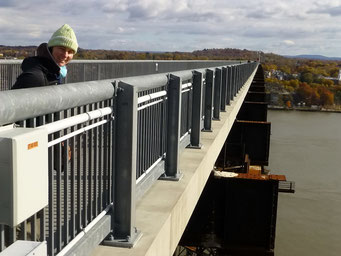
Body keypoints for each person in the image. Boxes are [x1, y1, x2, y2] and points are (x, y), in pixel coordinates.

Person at [12, 24, 78, 89]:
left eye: (70, 52)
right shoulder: (35, 77)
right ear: (51, 48)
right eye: (62, 49)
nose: (65, 55)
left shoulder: (55, 72)